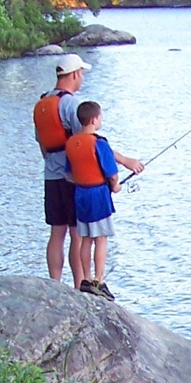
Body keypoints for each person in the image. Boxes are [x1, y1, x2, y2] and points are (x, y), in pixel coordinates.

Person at [33, 53, 144, 288]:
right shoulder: (71, 104)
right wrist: (124, 161)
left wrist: (52, 165)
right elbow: (86, 142)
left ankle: (54, 285)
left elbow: (42, 143)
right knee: (77, 233)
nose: (81, 78)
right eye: (81, 74)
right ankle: (80, 285)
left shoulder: (42, 103)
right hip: (74, 179)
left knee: (56, 232)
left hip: (50, 175)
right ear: (74, 74)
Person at [64, 100, 121, 299]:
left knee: (86, 239)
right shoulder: (99, 143)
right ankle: (99, 280)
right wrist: (115, 186)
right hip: (98, 196)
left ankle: (86, 279)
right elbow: (112, 173)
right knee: (101, 239)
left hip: (80, 195)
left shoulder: (71, 143)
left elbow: (68, 174)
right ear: (95, 119)